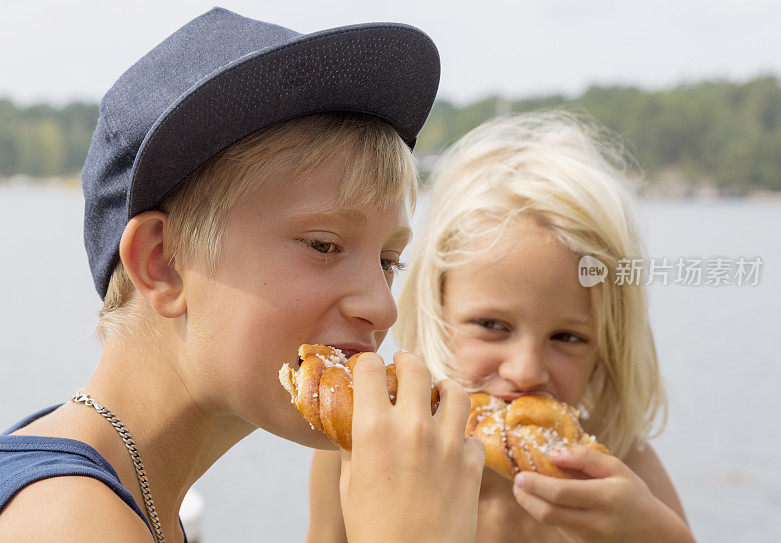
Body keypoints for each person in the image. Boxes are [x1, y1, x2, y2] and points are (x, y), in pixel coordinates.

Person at [0, 8, 485, 542]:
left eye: (388, 262)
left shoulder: (130, 492)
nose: (383, 306)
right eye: (324, 245)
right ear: (163, 264)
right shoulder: (68, 520)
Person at [308, 111, 696, 542]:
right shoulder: (370, 441)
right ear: (436, 310)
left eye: (567, 337)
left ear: (609, 346)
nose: (526, 370)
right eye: (492, 325)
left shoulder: (619, 475)